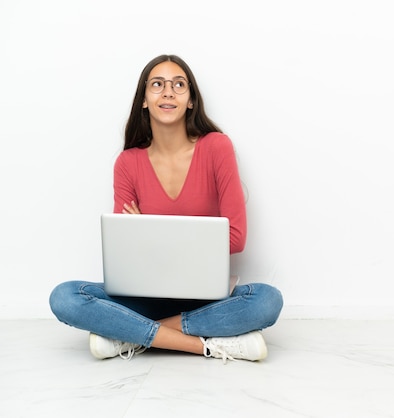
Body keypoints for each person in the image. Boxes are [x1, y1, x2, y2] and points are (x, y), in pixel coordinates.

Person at [49, 54, 283, 362]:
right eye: (157, 84)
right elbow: (126, 248)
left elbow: (236, 238)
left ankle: (130, 335)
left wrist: (149, 232)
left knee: (267, 301)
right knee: (65, 297)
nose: (168, 92)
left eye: (178, 84)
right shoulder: (128, 163)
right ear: (144, 100)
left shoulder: (217, 147)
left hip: (206, 299)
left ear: (190, 101)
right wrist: (159, 238)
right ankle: (207, 345)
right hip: (144, 297)